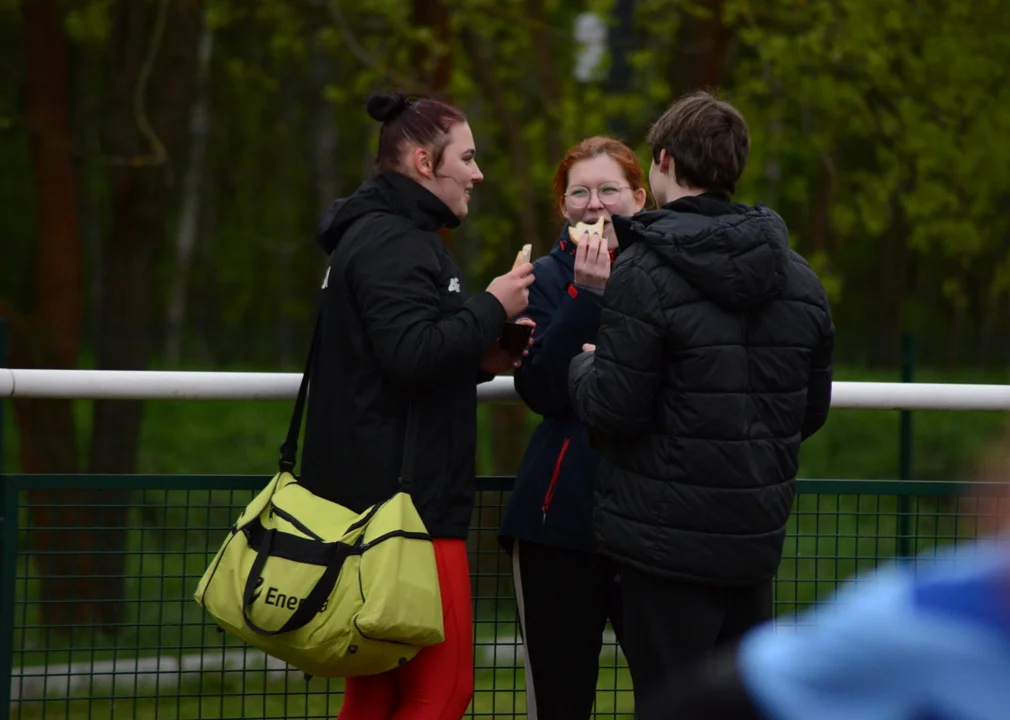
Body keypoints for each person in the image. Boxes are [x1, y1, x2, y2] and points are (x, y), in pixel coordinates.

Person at [637, 225, 1010, 720]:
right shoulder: (917, 628)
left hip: (676, 539)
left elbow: (619, 403)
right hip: (752, 533)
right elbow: (811, 404)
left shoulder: (909, 623)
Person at [566, 90, 835, 708]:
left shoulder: (644, 270)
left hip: (664, 551)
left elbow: (615, 409)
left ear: (661, 161)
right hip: (753, 545)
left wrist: (586, 370)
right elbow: (809, 411)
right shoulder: (800, 278)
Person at [299, 92, 535, 720]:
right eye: (469, 157)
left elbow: (398, 359)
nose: (479, 173)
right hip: (411, 515)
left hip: (379, 504)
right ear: (426, 163)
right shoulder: (396, 241)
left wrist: (480, 355)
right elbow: (409, 354)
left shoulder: (385, 235)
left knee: (375, 691)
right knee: (442, 690)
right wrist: (493, 305)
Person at [497, 137, 649, 719]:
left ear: (638, 196)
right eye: (579, 193)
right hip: (556, 526)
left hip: (650, 525)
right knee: (560, 703)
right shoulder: (539, 277)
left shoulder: (666, 273)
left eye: (609, 190)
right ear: (563, 206)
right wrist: (586, 298)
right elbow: (540, 389)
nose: (594, 205)